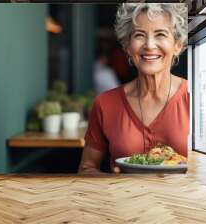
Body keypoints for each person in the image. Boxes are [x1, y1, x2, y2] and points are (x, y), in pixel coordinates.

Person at [79, 3, 189, 174]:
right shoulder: (106, 103)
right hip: (123, 199)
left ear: (178, 45)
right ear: (127, 47)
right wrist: (112, 183)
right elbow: (87, 168)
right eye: (139, 35)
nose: (149, 45)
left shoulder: (197, 99)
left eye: (160, 34)